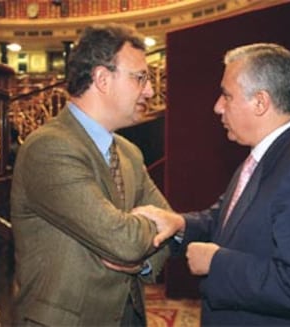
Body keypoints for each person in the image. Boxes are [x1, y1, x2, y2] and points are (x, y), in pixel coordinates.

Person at [134, 43, 290, 326]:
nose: (217, 107)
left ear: (260, 102)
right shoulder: (262, 157)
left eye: (226, 96)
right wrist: (179, 224)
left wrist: (216, 263)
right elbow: (223, 221)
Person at [10, 23, 171, 326]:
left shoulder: (129, 152)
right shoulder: (48, 147)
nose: (149, 90)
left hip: (130, 316)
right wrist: (145, 234)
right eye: (140, 78)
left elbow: (169, 226)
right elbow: (124, 241)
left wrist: (142, 260)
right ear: (102, 79)